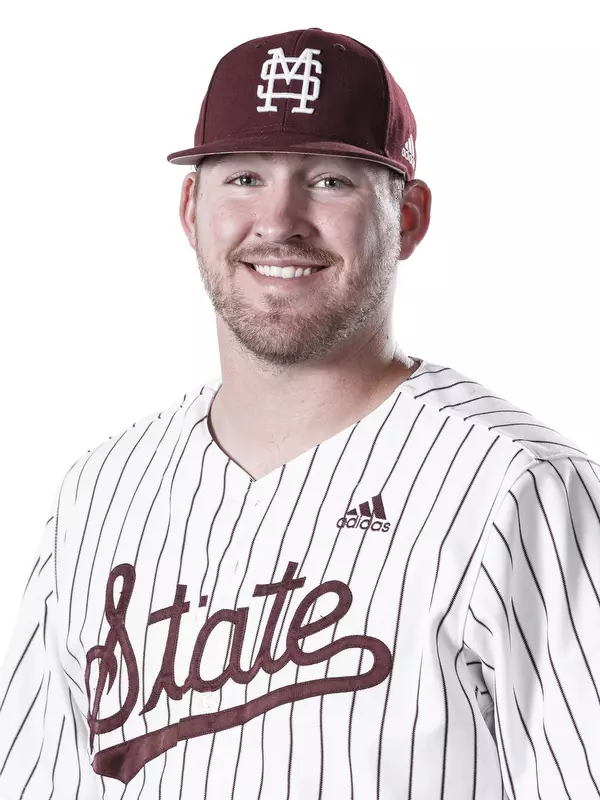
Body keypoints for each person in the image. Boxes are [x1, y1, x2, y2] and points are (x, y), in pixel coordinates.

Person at [1, 26, 599, 800]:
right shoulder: (100, 492)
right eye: (245, 177)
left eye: (329, 180)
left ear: (408, 217)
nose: (279, 221)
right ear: (192, 209)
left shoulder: (519, 488)